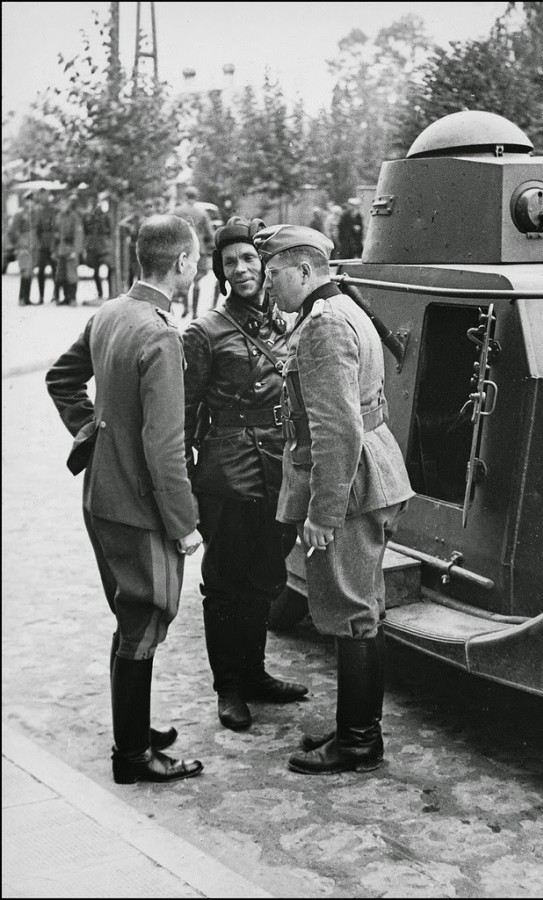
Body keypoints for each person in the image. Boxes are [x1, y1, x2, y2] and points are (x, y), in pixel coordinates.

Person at [45, 214, 205, 786]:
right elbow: (166, 447)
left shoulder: (111, 312)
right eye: (197, 257)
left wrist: (93, 432)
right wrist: (184, 525)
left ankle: (132, 732)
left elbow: (61, 378)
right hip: (140, 507)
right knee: (144, 620)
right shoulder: (161, 333)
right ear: (183, 263)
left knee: (129, 618)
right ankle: (133, 757)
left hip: (101, 497)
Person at [253, 224, 413, 775]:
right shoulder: (344, 310)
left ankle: (360, 742)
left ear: (303, 270)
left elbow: (337, 430)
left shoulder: (323, 327)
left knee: (351, 612)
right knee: (363, 608)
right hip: (375, 471)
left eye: (273, 274)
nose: (268, 285)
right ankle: (356, 727)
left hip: (351, 484)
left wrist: (322, 516)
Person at [183, 216, 308, 732]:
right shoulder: (204, 333)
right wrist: (186, 482)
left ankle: (254, 674)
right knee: (226, 581)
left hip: (278, 469)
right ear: (220, 271)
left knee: (266, 576)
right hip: (228, 473)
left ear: (265, 264)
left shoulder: (288, 325)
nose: (240, 269)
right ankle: (229, 687)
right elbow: (184, 413)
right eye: (230, 262)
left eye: (249, 259)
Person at [174, 185, 215, 319]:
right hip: (199, 250)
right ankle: (195, 313)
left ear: (185, 196)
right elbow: (210, 233)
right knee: (196, 281)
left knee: (184, 277)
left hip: (182, 249)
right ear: (196, 197)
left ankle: (186, 307)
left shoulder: (177, 211)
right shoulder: (202, 213)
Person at [54, 192, 85, 305]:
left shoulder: (74, 216)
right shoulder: (59, 216)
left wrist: (75, 251)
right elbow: (56, 232)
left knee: (71, 274)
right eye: (61, 204)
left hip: (71, 247)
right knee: (61, 274)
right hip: (62, 247)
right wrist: (55, 249)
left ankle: (72, 298)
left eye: (65, 204)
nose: (63, 206)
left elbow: (78, 234)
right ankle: (65, 298)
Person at [8, 191, 38, 305]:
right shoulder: (19, 214)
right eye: (28, 200)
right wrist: (19, 242)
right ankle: (22, 298)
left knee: (30, 272)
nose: (30, 202)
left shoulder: (34, 213)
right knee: (25, 272)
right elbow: (12, 231)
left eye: (32, 200)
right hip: (24, 246)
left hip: (33, 246)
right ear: (25, 200)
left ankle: (26, 298)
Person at [85, 192, 112, 300]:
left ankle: (110, 292)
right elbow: (87, 230)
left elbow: (109, 230)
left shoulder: (106, 216)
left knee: (109, 270)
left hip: (104, 247)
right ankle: (100, 293)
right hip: (94, 247)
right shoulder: (90, 217)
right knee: (96, 272)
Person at [35, 189, 58, 304]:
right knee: (40, 272)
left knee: (55, 271)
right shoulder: (38, 211)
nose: (43, 198)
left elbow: (56, 227)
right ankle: (41, 297)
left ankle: (56, 295)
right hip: (42, 245)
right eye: (41, 196)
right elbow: (37, 229)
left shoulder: (53, 210)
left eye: (45, 196)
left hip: (52, 244)